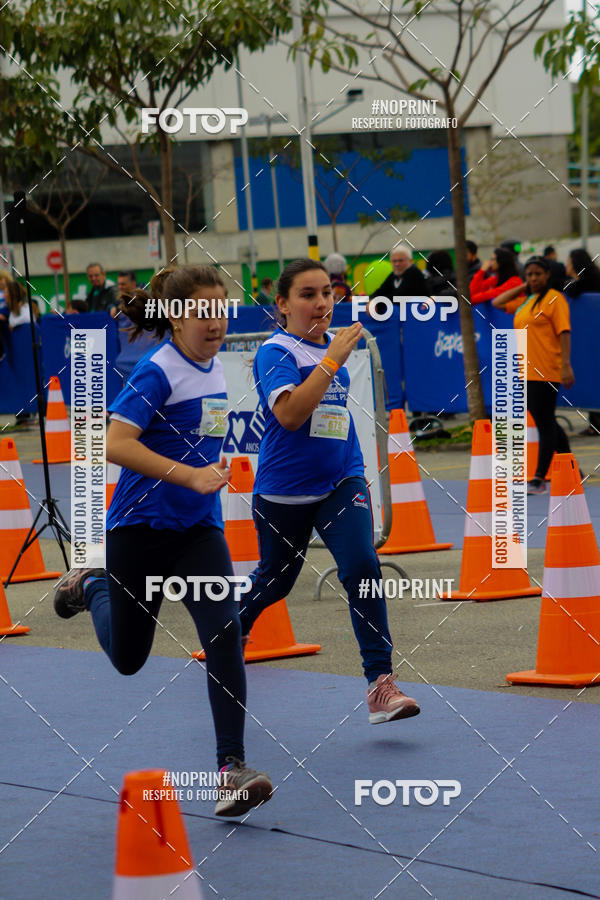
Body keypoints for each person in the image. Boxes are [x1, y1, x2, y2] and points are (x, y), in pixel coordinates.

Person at [52, 264, 273, 817]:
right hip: (139, 531)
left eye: (220, 309)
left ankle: (231, 769)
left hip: (198, 530)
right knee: (129, 659)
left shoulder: (217, 367)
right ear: (176, 317)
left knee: (225, 633)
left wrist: (210, 477)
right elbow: (113, 443)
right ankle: (93, 585)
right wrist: (189, 474)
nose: (214, 321)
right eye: (201, 311)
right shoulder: (158, 370)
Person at [239, 258, 420, 723]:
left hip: (341, 482)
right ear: (282, 304)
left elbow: (334, 422)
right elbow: (292, 416)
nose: (321, 303)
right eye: (307, 294)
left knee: (362, 565)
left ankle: (380, 685)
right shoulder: (275, 352)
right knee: (276, 581)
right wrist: (333, 358)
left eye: (327, 293)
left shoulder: (328, 353)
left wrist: (354, 471)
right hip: (284, 492)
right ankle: (230, 630)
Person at [492, 256, 576, 494]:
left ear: (548, 275)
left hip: (547, 368)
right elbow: (498, 302)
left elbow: (564, 332)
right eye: (529, 274)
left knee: (544, 422)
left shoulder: (554, 299)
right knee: (545, 419)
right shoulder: (527, 301)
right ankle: (572, 468)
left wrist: (566, 365)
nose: (533, 278)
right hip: (526, 369)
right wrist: (523, 287)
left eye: (538, 274)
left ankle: (539, 477)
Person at [563, 248, 600, 436]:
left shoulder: (589, 281)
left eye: (568, 261)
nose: (566, 265)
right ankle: (595, 422)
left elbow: (571, 290)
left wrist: (570, 283)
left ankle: (597, 423)